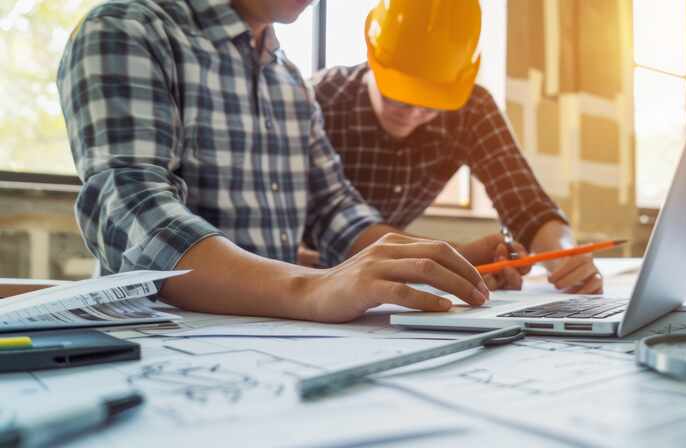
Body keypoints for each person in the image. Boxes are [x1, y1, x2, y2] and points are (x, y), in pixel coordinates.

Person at [57, 0, 496, 324]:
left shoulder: (289, 81)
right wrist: (310, 287)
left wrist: (429, 261)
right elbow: (135, 212)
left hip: (280, 339)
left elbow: (337, 212)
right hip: (163, 342)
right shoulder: (129, 29)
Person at [309, 0, 603, 294]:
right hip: (306, 277)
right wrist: (446, 257)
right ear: (373, 55)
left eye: (430, 104)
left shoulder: (471, 109)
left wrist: (566, 258)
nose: (412, 113)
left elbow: (526, 205)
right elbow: (313, 225)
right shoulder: (318, 101)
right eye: (397, 96)